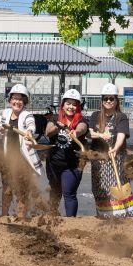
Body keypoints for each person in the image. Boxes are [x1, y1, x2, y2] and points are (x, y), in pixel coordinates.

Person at [0, 84, 42, 218]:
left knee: (21, 191)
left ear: (24, 102)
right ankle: (4, 217)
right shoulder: (5, 113)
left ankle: (21, 218)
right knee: (7, 189)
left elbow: (31, 125)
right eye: (14, 98)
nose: (17, 102)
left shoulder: (27, 115)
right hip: (8, 159)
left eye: (21, 99)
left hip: (22, 160)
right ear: (10, 100)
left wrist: (30, 132)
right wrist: (0, 129)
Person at [88, 83, 133, 218]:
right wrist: (101, 135)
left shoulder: (121, 117)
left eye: (111, 99)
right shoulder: (95, 115)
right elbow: (91, 133)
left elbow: (121, 134)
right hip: (98, 158)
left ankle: (122, 216)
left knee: (117, 185)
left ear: (116, 100)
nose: (108, 101)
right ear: (102, 100)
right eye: (106, 99)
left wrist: (116, 147)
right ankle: (104, 216)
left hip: (117, 157)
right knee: (100, 188)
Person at [45, 89, 88, 217]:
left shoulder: (82, 120)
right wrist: (58, 126)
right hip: (53, 164)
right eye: (68, 103)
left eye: (74, 104)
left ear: (78, 107)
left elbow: (83, 128)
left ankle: (71, 223)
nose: (71, 107)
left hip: (72, 165)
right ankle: (52, 219)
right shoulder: (54, 118)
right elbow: (48, 132)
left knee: (69, 193)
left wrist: (76, 132)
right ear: (63, 105)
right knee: (55, 191)